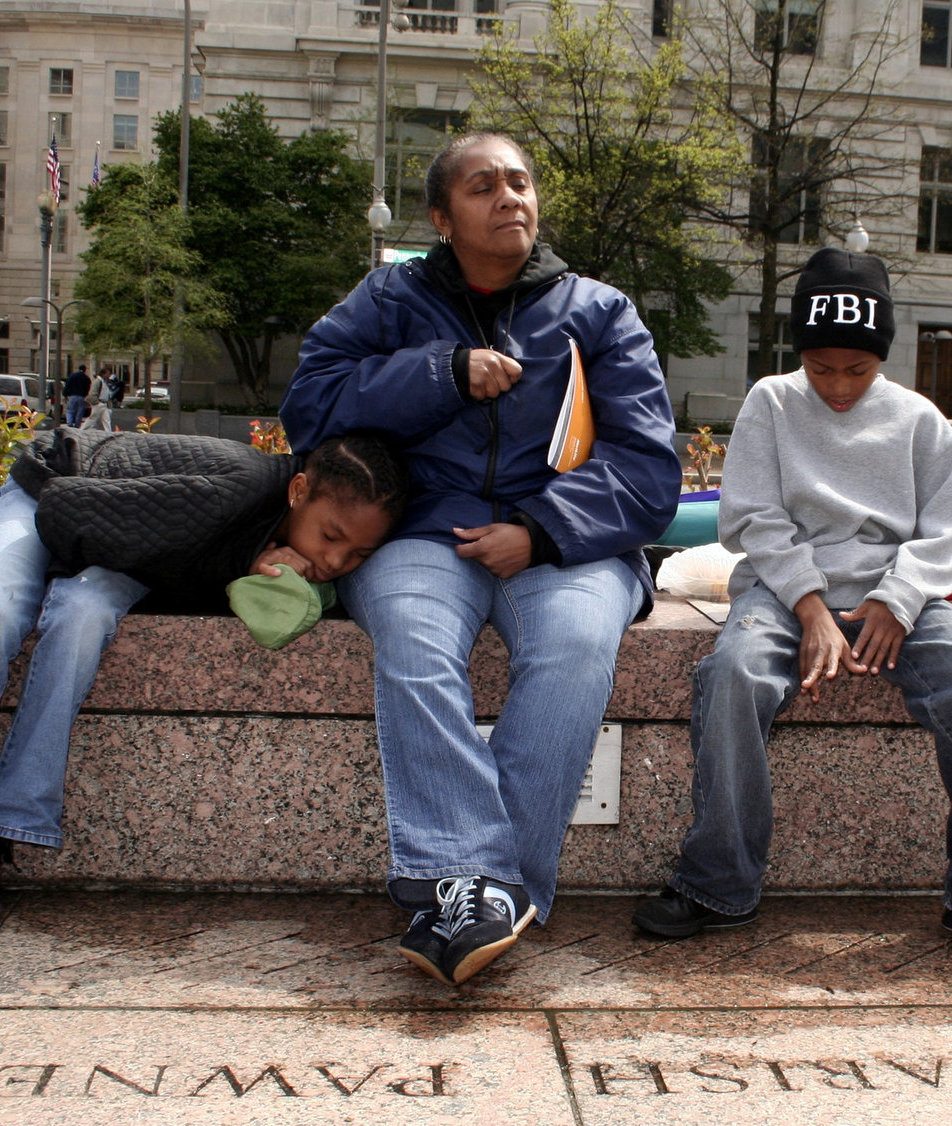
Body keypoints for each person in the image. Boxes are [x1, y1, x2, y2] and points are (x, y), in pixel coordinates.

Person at [280, 132, 680, 985]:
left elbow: (648, 475)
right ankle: (492, 888)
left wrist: (538, 530)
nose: (510, 199)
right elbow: (309, 408)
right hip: (427, 533)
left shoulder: (600, 312)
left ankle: (472, 891)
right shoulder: (388, 299)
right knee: (415, 646)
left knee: (574, 649)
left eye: (521, 183)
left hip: (571, 543)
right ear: (439, 218)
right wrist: (441, 373)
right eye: (483, 186)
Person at [631, 248, 952, 950]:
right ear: (799, 353)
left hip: (895, 597)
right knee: (733, 674)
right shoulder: (771, 403)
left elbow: (945, 535)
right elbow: (751, 518)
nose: (838, 386)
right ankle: (716, 882)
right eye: (821, 368)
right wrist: (810, 606)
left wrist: (896, 603)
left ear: (883, 357)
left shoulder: (922, 421)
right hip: (782, 594)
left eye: (858, 370)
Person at [0, 429, 407, 930]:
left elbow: (163, 564)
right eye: (331, 535)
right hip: (54, 489)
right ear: (297, 491)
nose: (336, 559)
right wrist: (241, 560)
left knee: (81, 618)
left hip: (126, 542)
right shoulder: (233, 490)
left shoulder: (294, 541)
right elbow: (69, 517)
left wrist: (249, 567)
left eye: (359, 553)